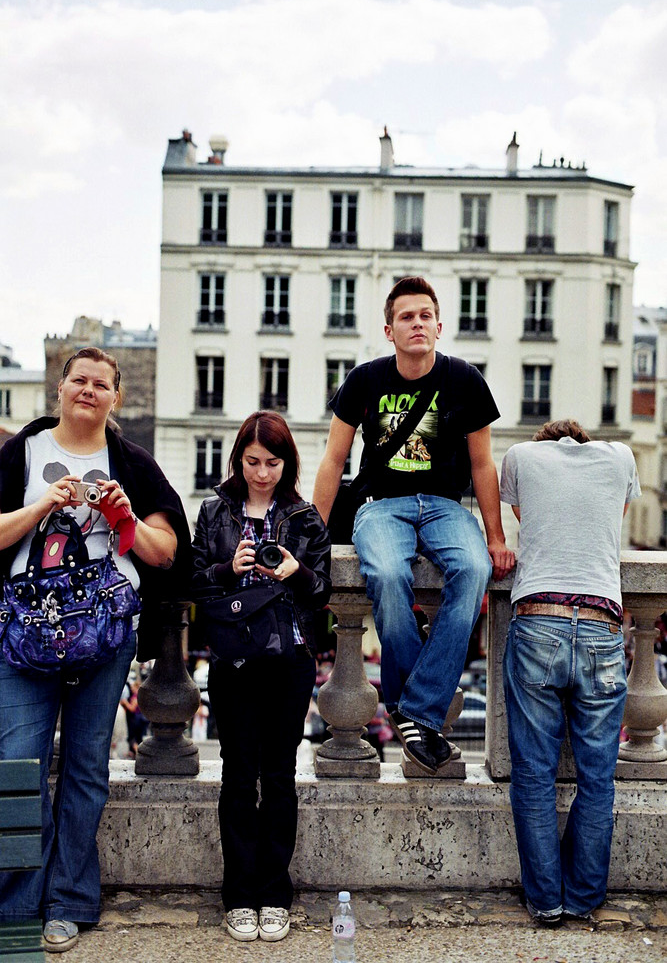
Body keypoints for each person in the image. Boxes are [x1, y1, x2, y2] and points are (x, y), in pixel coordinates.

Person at [0, 346, 191, 953]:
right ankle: (15, 908)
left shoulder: (132, 462)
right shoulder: (23, 453)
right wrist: (40, 508)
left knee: (86, 770)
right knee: (19, 769)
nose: (88, 390)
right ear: (59, 388)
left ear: (116, 398)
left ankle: (69, 902)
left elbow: (166, 552)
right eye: (78, 380)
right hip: (25, 634)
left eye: (100, 384)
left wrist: (126, 516)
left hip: (104, 635)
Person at [313, 276, 515, 774]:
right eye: (407, 316)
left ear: (439, 325)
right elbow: (333, 460)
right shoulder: (364, 381)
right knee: (384, 572)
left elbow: (484, 465)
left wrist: (494, 536)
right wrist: (312, 532)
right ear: (390, 330)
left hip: (447, 507)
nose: (417, 323)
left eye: (425, 315)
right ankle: (420, 712)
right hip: (383, 505)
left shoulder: (465, 380)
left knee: (472, 572)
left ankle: (412, 710)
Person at [192, 411, 331, 943]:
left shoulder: (304, 517)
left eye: (272, 463)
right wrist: (231, 568)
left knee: (277, 776)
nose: (262, 474)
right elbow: (195, 582)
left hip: (290, 658)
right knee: (235, 773)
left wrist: (297, 571)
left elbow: (321, 595)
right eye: (252, 462)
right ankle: (238, 895)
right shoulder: (214, 512)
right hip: (233, 658)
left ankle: (275, 893)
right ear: (238, 460)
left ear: (287, 462)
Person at [500, 418, 641, 925]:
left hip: (539, 617)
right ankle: (583, 897)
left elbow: (525, 516)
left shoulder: (519, 457)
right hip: (602, 626)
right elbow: (614, 514)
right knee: (598, 777)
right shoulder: (622, 457)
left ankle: (546, 900)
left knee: (534, 774)